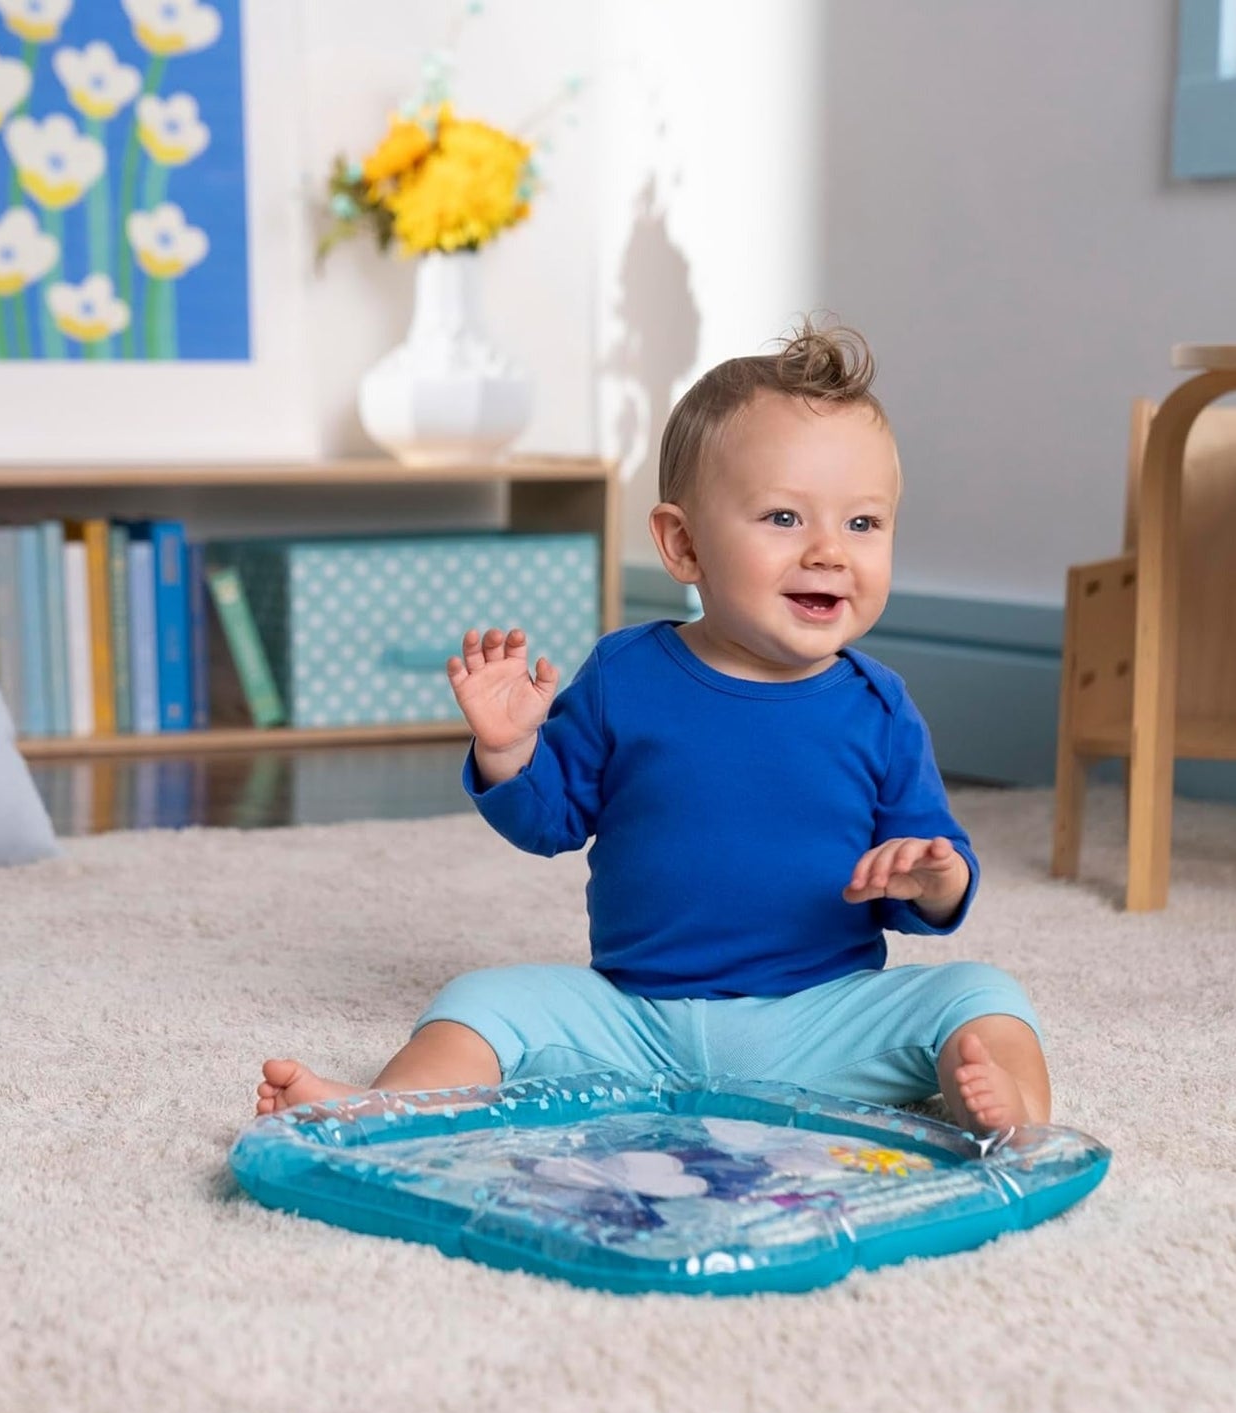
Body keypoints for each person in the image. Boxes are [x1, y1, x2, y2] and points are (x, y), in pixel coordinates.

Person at [257, 320, 1050, 1133]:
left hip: (817, 1022)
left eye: (862, 524)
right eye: (782, 517)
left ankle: (1010, 1117)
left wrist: (932, 877)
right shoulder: (624, 674)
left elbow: (929, 866)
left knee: (981, 994)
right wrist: (508, 751)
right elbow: (549, 823)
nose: (828, 551)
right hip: (634, 1018)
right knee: (479, 999)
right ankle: (387, 1110)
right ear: (682, 544)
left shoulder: (879, 708)